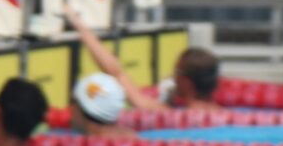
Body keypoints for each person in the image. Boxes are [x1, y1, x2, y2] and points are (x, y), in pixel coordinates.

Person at [65, 9, 225, 113]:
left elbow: (116, 73)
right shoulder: (225, 115)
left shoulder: (170, 114)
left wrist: (81, 27)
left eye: (177, 72)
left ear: (187, 82)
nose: (171, 77)